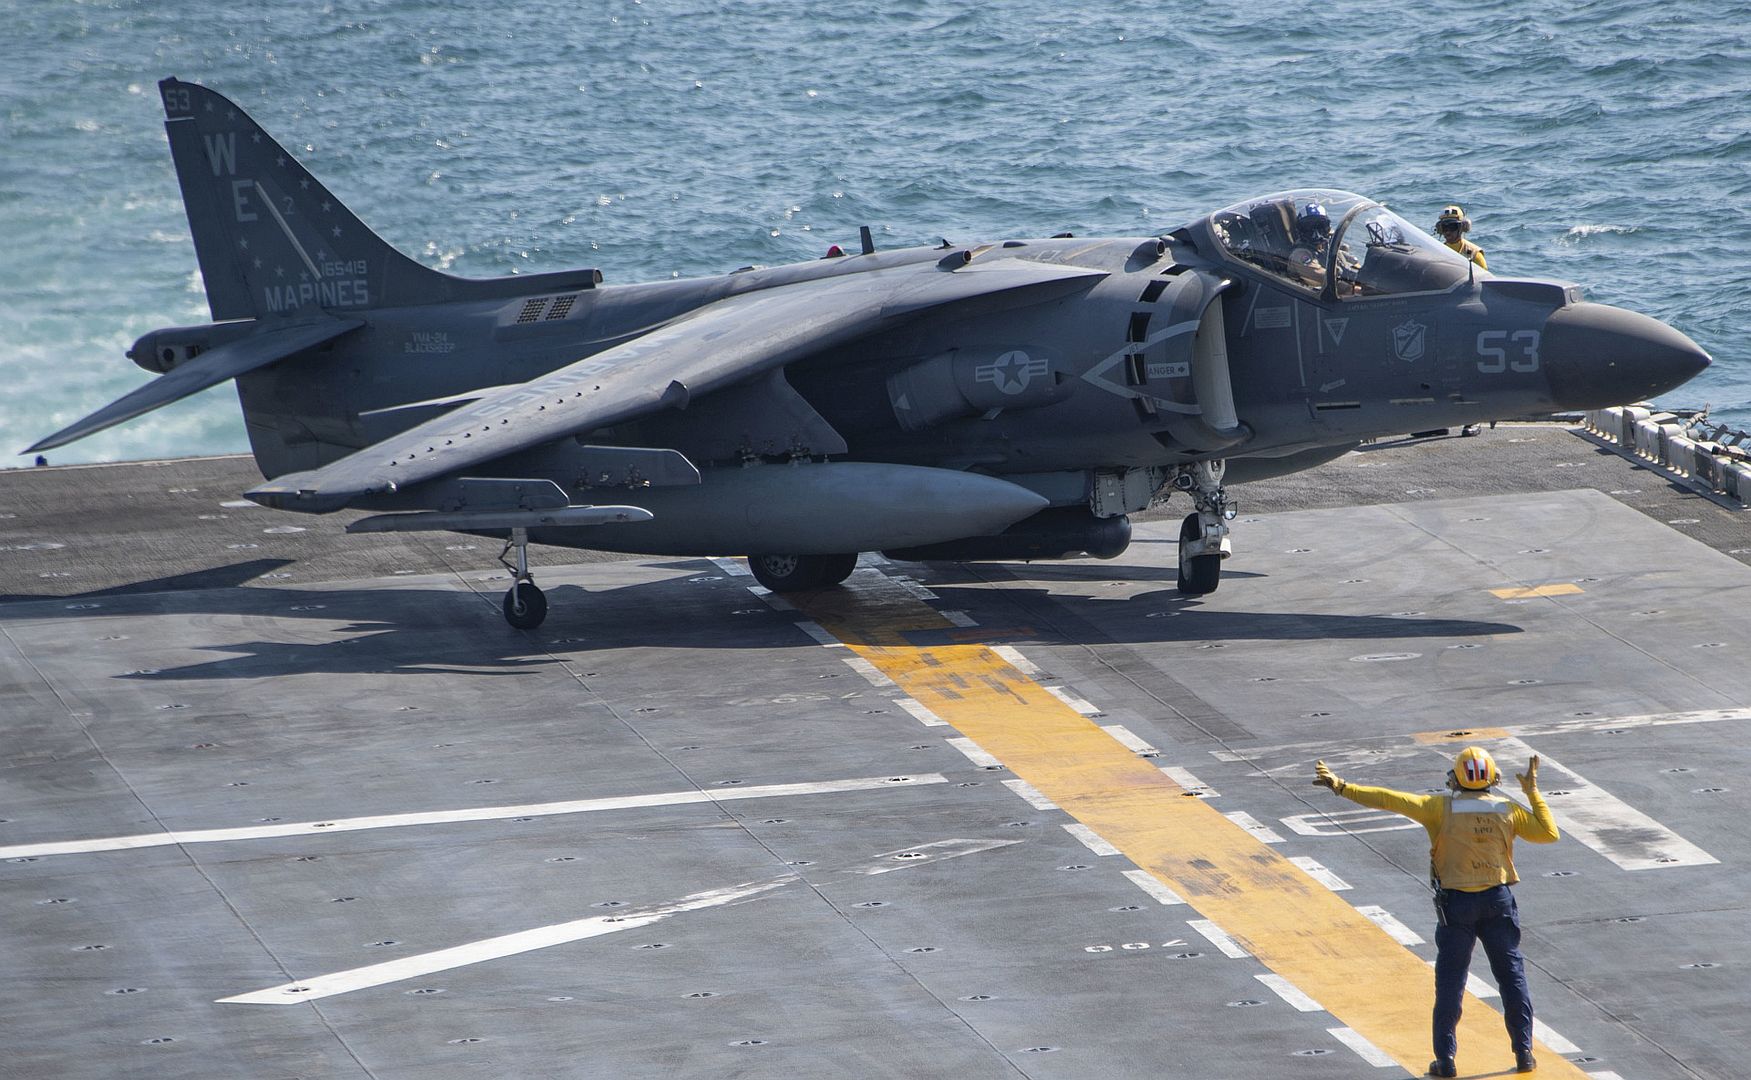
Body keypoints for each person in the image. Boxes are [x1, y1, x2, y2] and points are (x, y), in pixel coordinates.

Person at [1313, 746, 1558, 1076]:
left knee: (1450, 984)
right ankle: (1524, 1052)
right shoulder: (1507, 809)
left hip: (1456, 907)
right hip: (1497, 903)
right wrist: (1531, 791)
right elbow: (1548, 833)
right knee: (1512, 978)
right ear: (1493, 778)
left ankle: (1446, 1060)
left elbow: (1389, 799)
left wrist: (1342, 787)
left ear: (1456, 777)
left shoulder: (1439, 808)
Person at [1435, 205, 1487, 269]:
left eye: (1452, 227)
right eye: (1444, 227)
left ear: (1462, 227)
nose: (1448, 231)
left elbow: (1484, 277)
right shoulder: (1437, 251)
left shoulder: (1474, 254)